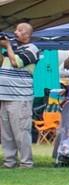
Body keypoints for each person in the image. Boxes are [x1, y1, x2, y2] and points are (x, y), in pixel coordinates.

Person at [0, 22, 39, 169]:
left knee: (21, 132)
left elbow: (16, 63)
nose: (16, 32)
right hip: (5, 96)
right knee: (6, 133)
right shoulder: (12, 49)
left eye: (19, 30)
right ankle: (9, 161)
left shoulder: (32, 49)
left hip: (20, 98)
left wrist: (8, 46)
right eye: (15, 29)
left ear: (27, 35)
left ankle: (26, 163)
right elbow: (2, 62)